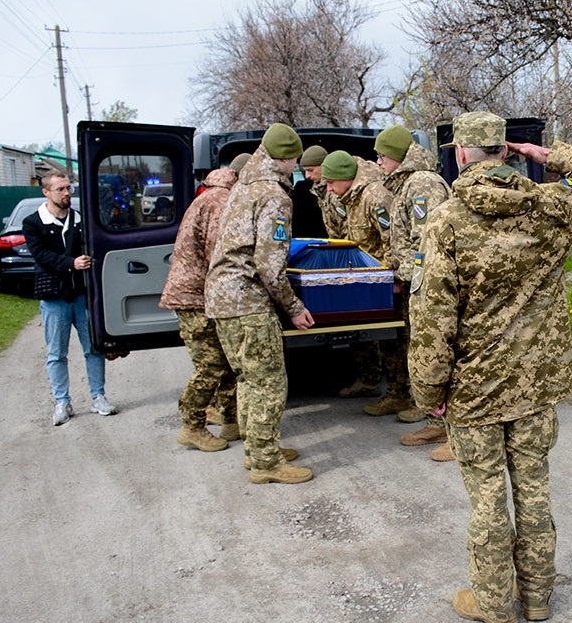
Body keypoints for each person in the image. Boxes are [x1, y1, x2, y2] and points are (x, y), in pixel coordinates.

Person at [408, 111, 572, 623]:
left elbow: (434, 315)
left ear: (460, 153)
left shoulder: (446, 221)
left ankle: (497, 605)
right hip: (535, 384)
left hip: (474, 387)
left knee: (486, 499)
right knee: (533, 488)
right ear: (506, 151)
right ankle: (537, 598)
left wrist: (428, 389)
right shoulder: (551, 206)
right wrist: (546, 155)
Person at [205, 123, 316, 485]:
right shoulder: (274, 195)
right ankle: (267, 463)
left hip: (222, 297)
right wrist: (295, 307)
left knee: (248, 380)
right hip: (247, 301)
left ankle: (257, 450)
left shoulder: (244, 185)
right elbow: (269, 266)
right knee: (268, 381)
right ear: (289, 158)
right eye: (296, 160)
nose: (296, 166)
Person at [374, 125, 453, 457]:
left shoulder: (422, 184)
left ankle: (455, 433)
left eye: (381, 156)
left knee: (442, 357)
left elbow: (428, 242)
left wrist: (404, 274)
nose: (377, 162)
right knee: (426, 356)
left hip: (431, 286)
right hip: (418, 283)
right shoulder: (408, 183)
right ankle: (437, 423)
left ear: (396, 155)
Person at [23, 170, 117, 425]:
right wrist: (71, 263)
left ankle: (98, 396)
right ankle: (62, 402)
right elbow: (41, 255)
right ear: (46, 192)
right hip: (54, 298)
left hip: (83, 297)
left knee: (94, 348)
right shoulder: (33, 223)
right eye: (61, 189)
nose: (67, 193)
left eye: (68, 188)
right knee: (56, 353)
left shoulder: (81, 219)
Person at [160, 166, 239, 453]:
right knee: (212, 364)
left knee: (227, 360)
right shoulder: (220, 201)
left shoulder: (208, 196)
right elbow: (219, 256)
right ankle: (192, 426)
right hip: (195, 299)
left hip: (200, 296)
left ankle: (232, 420)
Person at [321, 150, 398, 406]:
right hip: (367, 280)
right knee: (377, 340)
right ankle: (391, 392)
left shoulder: (375, 196)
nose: (329, 189)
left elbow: (393, 240)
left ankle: (404, 397)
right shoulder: (350, 198)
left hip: (386, 282)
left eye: (331, 182)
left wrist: (393, 278)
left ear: (345, 177)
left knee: (396, 341)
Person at [292, 145, 329, 238]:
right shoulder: (302, 191)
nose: (307, 176)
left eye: (310, 170)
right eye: (305, 171)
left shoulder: (340, 188)